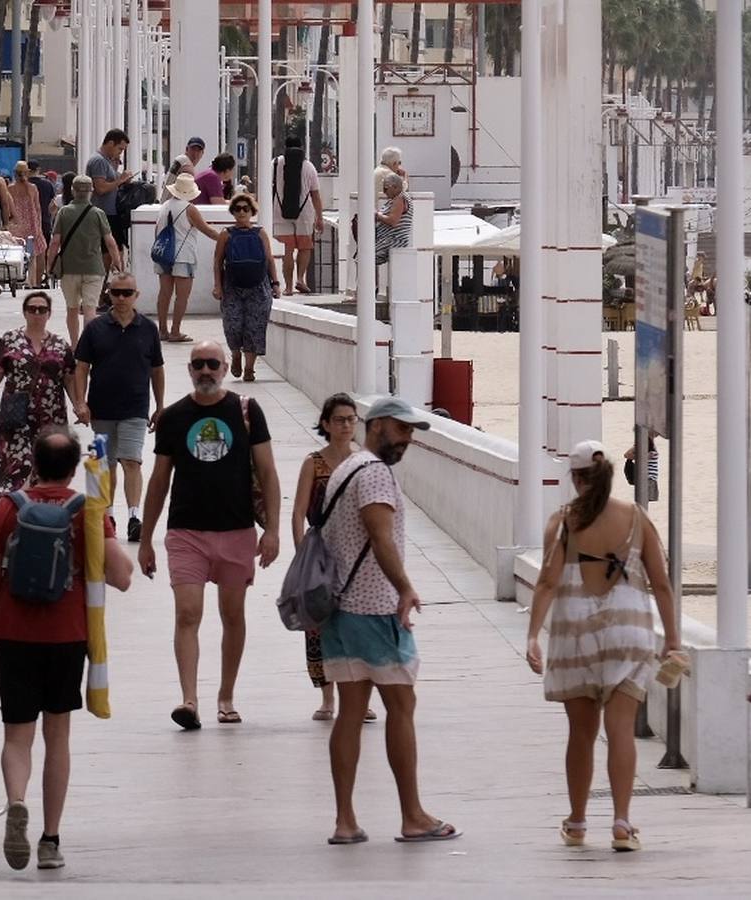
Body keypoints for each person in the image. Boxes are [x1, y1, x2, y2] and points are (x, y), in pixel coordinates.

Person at [0, 426, 134, 871]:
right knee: (58, 737)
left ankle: (17, 800)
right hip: (67, 635)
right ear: (75, 468)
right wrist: (102, 517)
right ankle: (50, 840)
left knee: (18, 735)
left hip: (14, 634)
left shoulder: (7, 508)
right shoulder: (86, 509)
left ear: (33, 463)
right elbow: (122, 575)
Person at [527, 441, 680, 853]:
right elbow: (662, 584)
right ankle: (622, 823)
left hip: (576, 629)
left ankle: (577, 823)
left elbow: (546, 582)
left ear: (575, 478)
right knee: (621, 731)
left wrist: (532, 636)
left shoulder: (563, 522)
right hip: (628, 629)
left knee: (581, 732)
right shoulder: (636, 519)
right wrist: (675, 642)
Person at [321, 395, 459, 846]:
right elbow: (381, 539)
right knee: (401, 708)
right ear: (376, 425)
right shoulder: (376, 474)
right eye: (401, 430)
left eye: (412, 433)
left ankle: (344, 821)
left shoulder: (346, 467)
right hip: (376, 610)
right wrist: (404, 588)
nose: (407, 440)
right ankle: (412, 815)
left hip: (339, 611)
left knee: (350, 713)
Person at [135, 340, 281, 730]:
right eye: (198, 364)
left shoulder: (246, 411)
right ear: (190, 370)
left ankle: (226, 695)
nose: (205, 370)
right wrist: (146, 538)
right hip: (186, 531)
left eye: (212, 364)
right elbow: (159, 481)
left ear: (224, 368)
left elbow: (267, 473)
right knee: (187, 613)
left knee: (232, 615)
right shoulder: (175, 418)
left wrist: (274, 532)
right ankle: (189, 699)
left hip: (236, 530)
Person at [291, 394, 377, 724]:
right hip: (322, 553)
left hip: (358, 556)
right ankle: (328, 698)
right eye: (339, 420)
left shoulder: (365, 462)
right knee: (321, 626)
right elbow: (299, 511)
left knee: (358, 626)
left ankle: (357, 700)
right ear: (325, 424)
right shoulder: (314, 463)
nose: (345, 425)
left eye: (351, 419)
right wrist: (303, 557)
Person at [72, 272, 165, 542]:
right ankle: (108, 514)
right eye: (116, 292)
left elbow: (157, 370)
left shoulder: (148, 329)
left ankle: (135, 516)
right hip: (101, 409)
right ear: (108, 294)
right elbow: (81, 368)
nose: (122, 298)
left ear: (136, 295)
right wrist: (81, 402)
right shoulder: (94, 329)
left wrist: (160, 406)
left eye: (127, 293)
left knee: (132, 460)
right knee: (106, 464)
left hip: (136, 407)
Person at [0, 292, 78, 491]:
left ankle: (42, 507)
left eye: (42, 309)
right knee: (16, 466)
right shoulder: (9, 341)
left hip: (51, 416)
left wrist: (79, 406)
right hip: (17, 415)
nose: (37, 313)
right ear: (24, 313)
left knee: (49, 465)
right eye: (32, 309)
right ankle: (13, 507)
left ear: (49, 314)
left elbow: (69, 380)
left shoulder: (61, 345)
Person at [46, 175, 121, 345]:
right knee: (90, 310)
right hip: (94, 268)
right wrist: (117, 262)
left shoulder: (64, 212)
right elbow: (109, 241)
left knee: (72, 309)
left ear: (72, 191)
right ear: (91, 192)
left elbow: (55, 242)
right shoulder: (98, 213)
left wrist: (50, 265)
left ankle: (74, 345)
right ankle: (89, 346)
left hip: (69, 269)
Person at [212, 194, 280, 382]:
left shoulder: (260, 233)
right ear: (233, 212)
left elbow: (269, 259)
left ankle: (249, 368)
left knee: (255, 327)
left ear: (252, 211)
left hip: (259, 287)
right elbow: (218, 261)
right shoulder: (226, 234)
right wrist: (218, 286)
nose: (241, 212)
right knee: (232, 325)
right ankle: (236, 355)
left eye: (245, 209)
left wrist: (276, 283)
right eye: (238, 208)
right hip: (232, 287)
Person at [153, 173, 221, 343]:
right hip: (184, 256)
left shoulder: (164, 206)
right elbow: (207, 230)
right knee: (181, 295)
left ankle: (162, 330)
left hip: (163, 254)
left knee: (164, 293)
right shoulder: (189, 209)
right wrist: (226, 239)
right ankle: (175, 331)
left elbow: (157, 231)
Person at [272, 136, 325, 295]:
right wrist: (320, 217)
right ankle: (300, 278)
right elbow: (315, 195)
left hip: (280, 211)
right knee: (305, 247)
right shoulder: (308, 166)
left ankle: (288, 287)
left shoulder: (275, 164)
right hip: (305, 212)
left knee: (287, 250)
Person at [8, 162, 49, 288]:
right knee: (37, 253)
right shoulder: (32, 188)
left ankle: (17, 280)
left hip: (15, 227)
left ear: (14, 173)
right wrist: (38, 226)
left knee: (16, 255)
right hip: (32, 227)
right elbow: (37, 209)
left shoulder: (10, 188)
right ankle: (35, 282)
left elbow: (8, 208)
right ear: (27, 173)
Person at [85, 128, 134, 231]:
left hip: (109, 212)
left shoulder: (107, 161)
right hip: (103, 213)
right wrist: (120, 180)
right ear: (111, 143)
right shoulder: (99, 161)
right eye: (120, 149)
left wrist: (123, 179)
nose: (120, 153)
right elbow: (100, 188)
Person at [373, 173, 413, 266]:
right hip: (387, 240)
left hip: (393, 241)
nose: (384, 192)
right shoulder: (397, 198)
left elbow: (393, 221)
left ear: (394, 187)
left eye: (386, 188)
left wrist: (377, 215)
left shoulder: (400, 198)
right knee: (364, 258)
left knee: (365, 258)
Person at [623, 437, 660, 503]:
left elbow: (640, 458)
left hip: (649, 480)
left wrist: (635, 448)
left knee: (642, 502)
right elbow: (626, 455)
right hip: (642, 480)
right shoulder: (643, 454)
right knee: (628, 461)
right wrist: (635, 446)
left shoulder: (652, 453)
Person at [35, 167, 57, 246]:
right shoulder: (48, 185)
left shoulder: (24, 184)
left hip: (29, 222)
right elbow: (53, 205)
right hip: (45, 221)